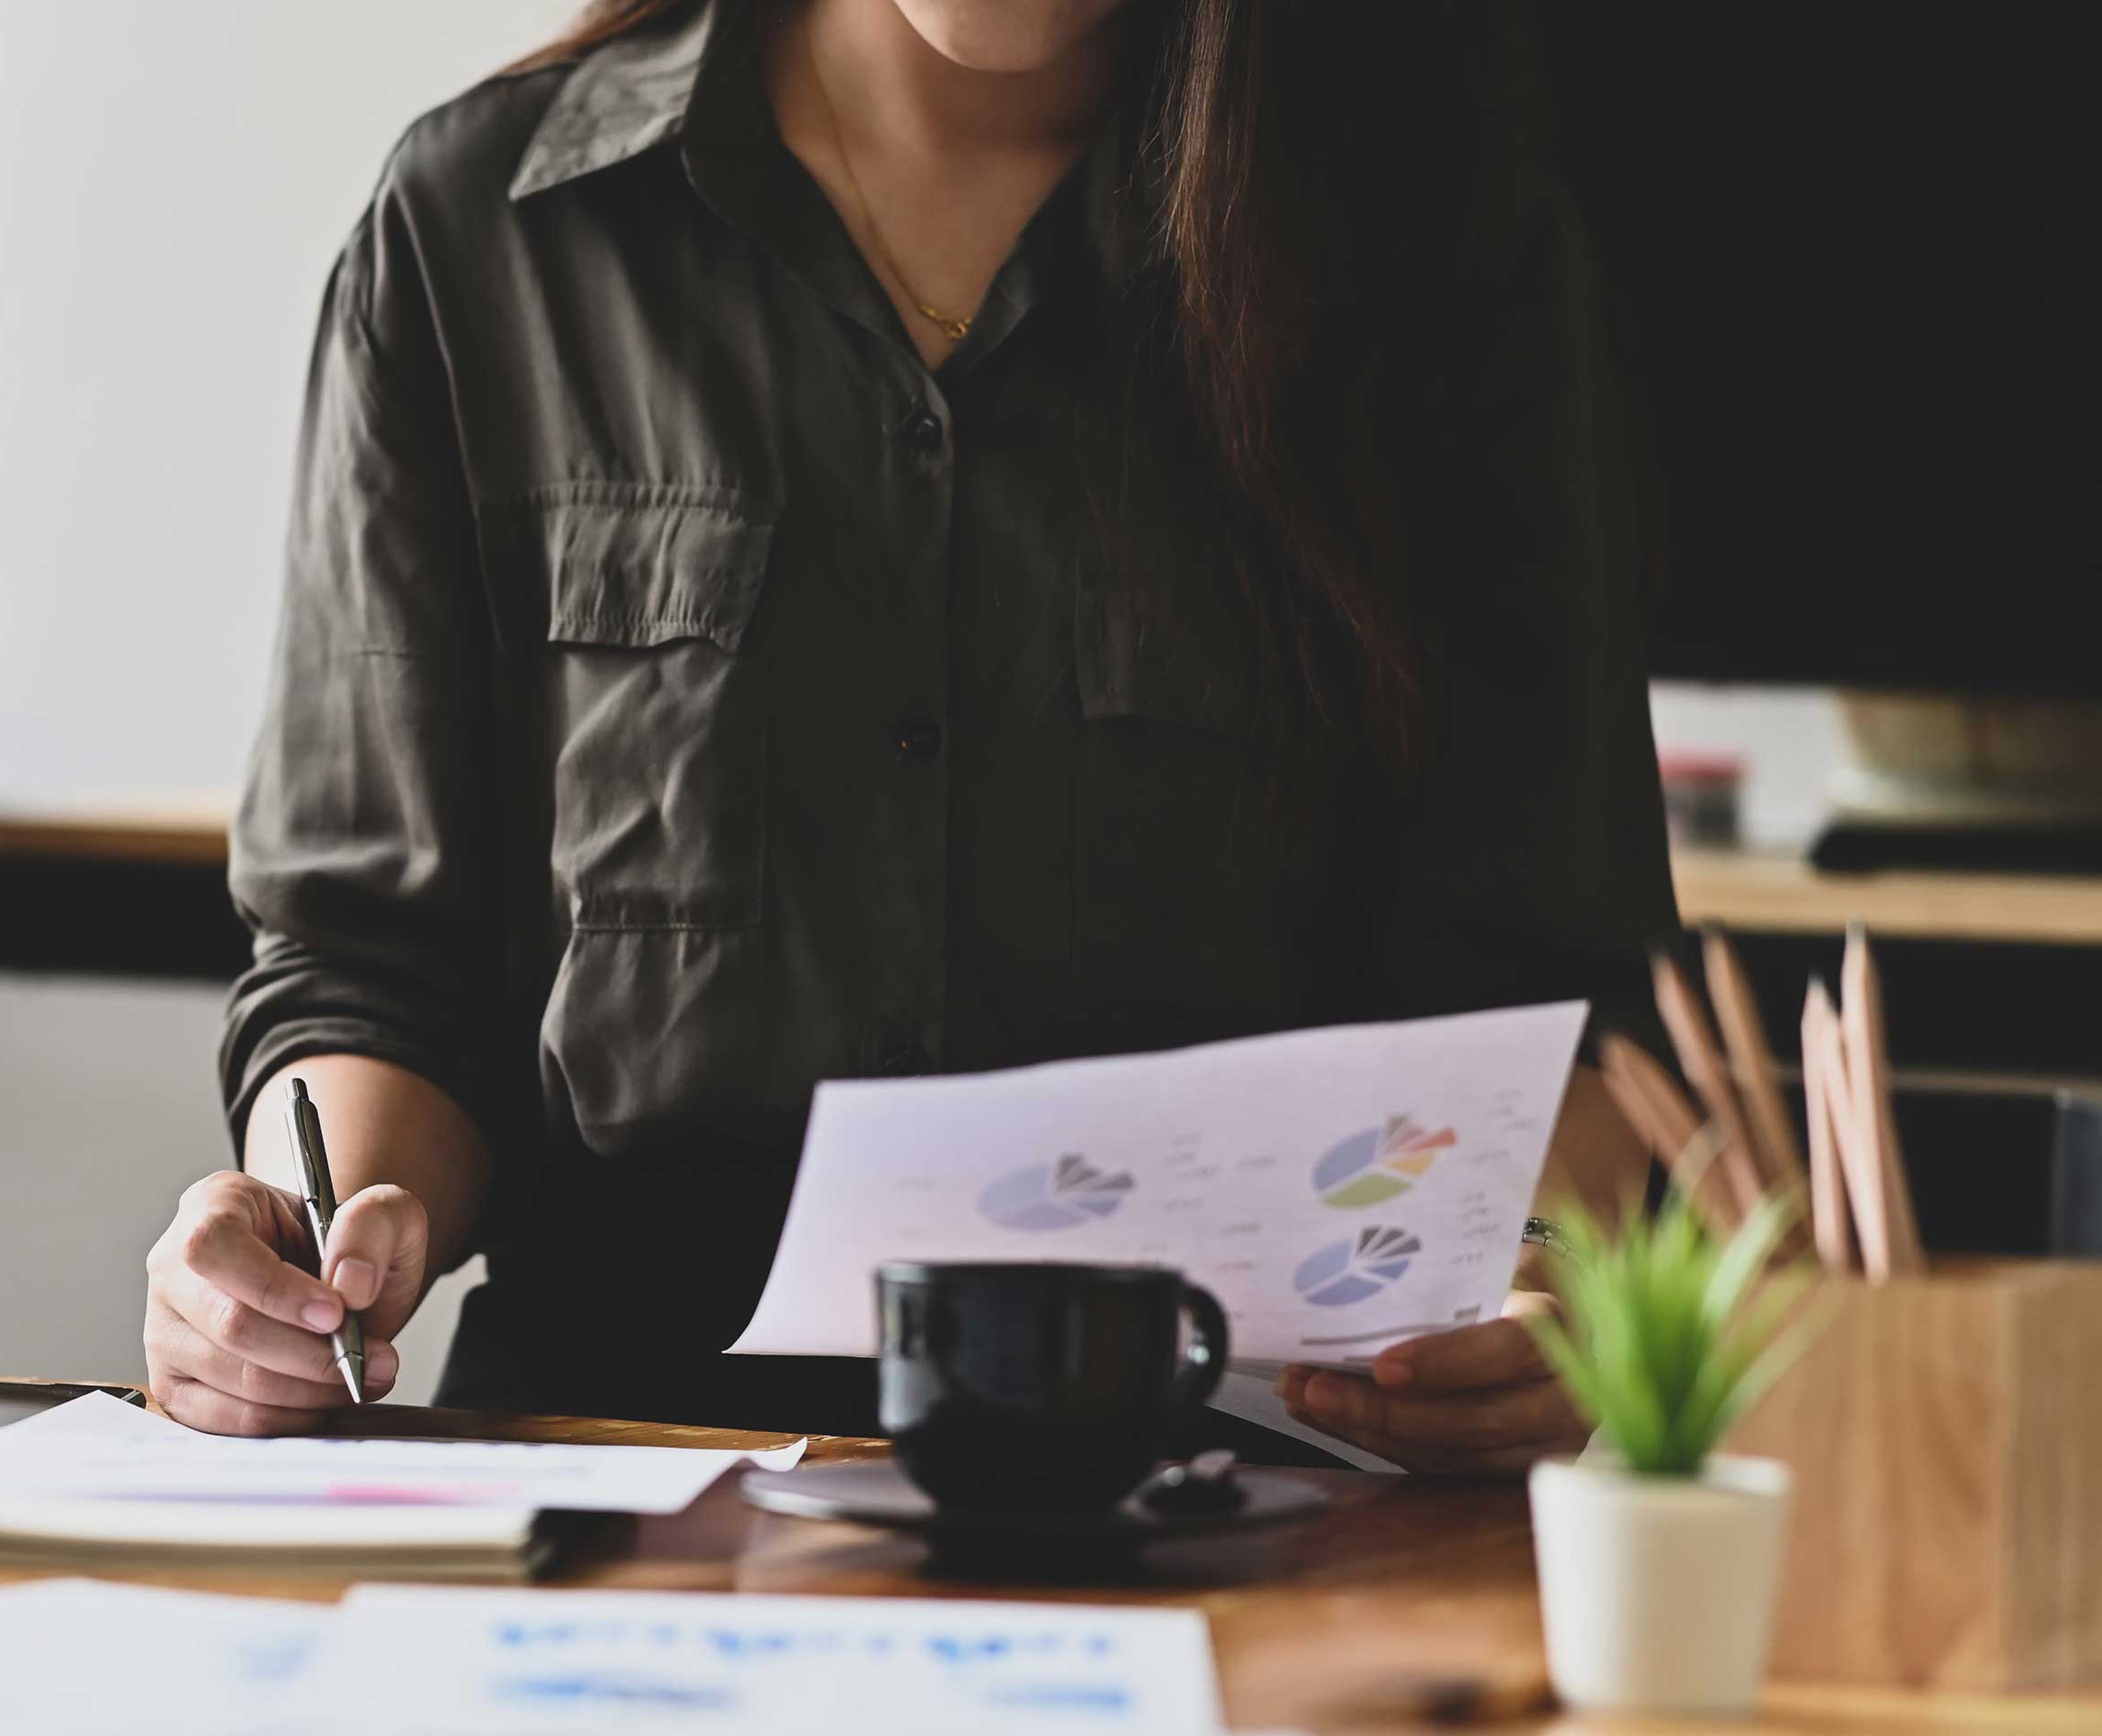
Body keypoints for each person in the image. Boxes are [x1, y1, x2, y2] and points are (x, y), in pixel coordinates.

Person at [143, 0, 1668, 1471]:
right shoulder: (485, 228)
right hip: (625, 1469)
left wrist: (1546, 1287)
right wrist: (297, 1259)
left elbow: (1550, 978)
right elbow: (376, 962)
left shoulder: (1441, 255)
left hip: (1240, 1486)